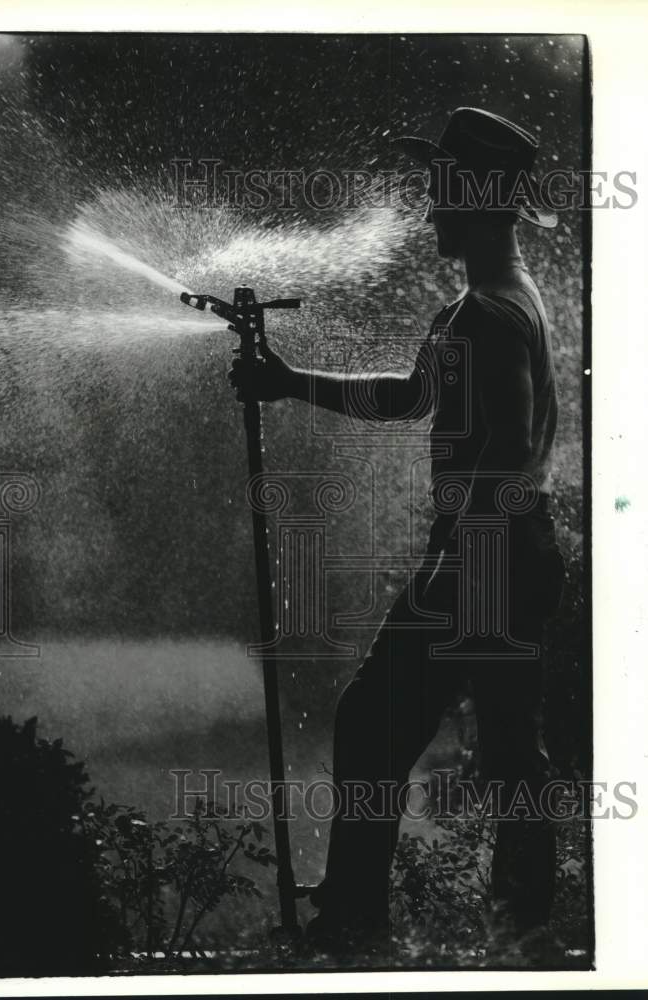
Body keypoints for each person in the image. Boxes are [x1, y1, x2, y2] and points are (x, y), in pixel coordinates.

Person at [229, 107, 567, 951]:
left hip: (484, 559)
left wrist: (456, 550)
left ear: (482, 199)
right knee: (506, 754)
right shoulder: (485, 304)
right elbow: (413, 396)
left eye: (444, 190)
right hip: (504, 555)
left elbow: (514, 442)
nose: (430, 209)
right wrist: (288, 380)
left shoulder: (488, 313)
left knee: (378, 726)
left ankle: (359, 924)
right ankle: (521, 930)